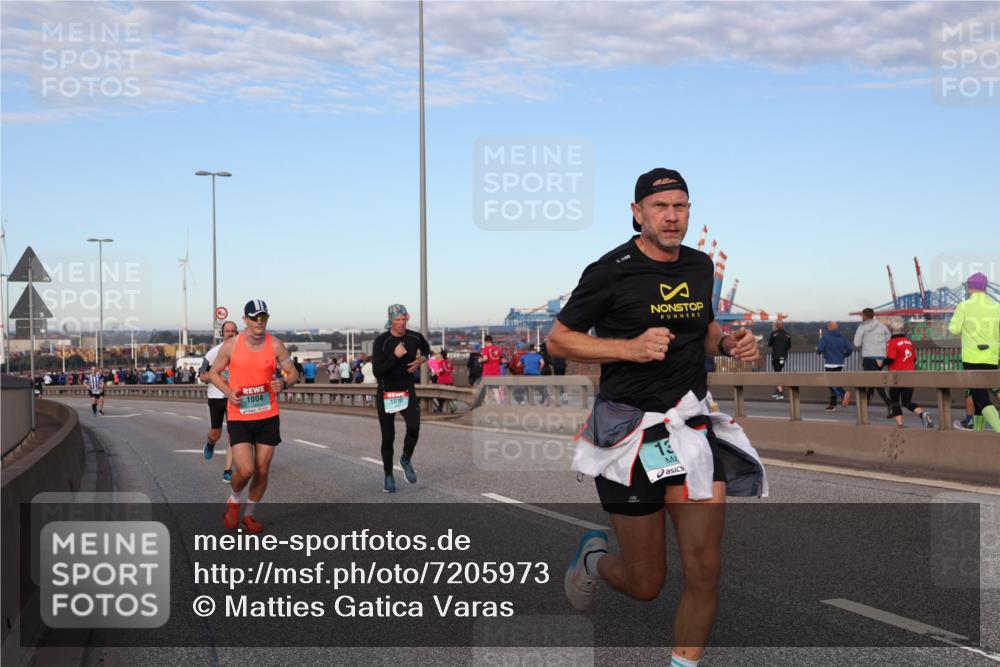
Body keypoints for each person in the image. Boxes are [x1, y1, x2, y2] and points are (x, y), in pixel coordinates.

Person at [548, 168, 761, 667]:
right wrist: (628, 347)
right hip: (630, 432)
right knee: (646, 583)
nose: (672, 216)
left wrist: (728, 342)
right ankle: (594, 561)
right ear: (637, 212)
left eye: (681, 206)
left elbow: (705, 329)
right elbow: (557, 340)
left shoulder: (698, 266)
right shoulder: (609, 271)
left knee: (705, 569)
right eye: (661, 207)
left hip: (689, 426)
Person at [208, 299, 299, 534]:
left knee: (262, 469)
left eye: (263, 317)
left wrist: (284, 382)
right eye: (255, 317)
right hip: (240, 415)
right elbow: (214, 373)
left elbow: (293, 373)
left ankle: (249, 515)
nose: (260, 322)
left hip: (268, 415)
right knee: (246, 469)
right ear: (245, 320)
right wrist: (229, 392)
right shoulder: (231, 345)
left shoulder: (275, 344)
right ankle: (234, 500)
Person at [372, 304, 430, 493]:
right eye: (397, 320)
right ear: (390, 320)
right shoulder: (381, 341)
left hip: (407, 391)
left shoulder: (415, 337)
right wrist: (395, 357)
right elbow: (377, 371)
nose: (401, 323)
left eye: (404, 319)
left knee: (414, 428)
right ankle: (388, 476)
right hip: (387, 393)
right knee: (388, 438)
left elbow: (427, 350)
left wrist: (421, 360)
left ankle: (405, 459)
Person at [948, 272, 1000, 432]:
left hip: (972, 358)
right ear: (985, 288)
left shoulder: (964, 306)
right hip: (991, 357)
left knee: (981, 399)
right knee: (979, 399)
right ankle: (977, 435)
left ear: (970, 287)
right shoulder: (997, 306)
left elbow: (953, 329)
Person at [200, 320, 239, 482]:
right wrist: (217, 377)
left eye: (233, 331)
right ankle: (210, 443)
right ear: (222, 334)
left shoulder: (242, 352)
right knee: (216, 433)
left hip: (234, 397)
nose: (230, 333)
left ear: (237, 333)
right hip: (216, 397)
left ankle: (228, 470)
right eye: (227, 331)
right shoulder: (212, 353)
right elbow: (202, 376)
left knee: (234, 435)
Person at [884, 318, 934, 428]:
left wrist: (881, 362)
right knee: (907, 402)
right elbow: (914, 359)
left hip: (897, 376)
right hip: (910, 374)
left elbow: (891, 359)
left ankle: (900, 425)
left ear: (891, 329)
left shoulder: (892, 342)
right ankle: (923, 414)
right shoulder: (908, 342)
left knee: (895, 400)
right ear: (902, 329)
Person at [854, 308, 893, 417]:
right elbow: (889, 339)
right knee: (872, 383)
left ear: (864, 316)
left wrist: (866, 342)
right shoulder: (881, 326)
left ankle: (890, 404)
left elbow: (856, 343)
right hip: (880, 358)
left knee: (875, 382)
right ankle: (864, 407)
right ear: (873, 315)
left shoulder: (862, 327)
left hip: (869, 358)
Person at [817, 322, 853, 411]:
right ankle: (832, 405)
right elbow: (850, 349)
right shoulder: (842, 337)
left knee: (831, 383)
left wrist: (818, 351)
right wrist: (844, 356)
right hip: (840, 363)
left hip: (830, 363)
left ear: (829, 327)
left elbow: (820, 349)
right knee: (835, 382)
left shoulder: (825, 337)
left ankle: (843, 394)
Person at [767, 320, 792, 400]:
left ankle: (780, 393)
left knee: (777, 374)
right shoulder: (788, 335)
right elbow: (789, 346)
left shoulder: (774, 334)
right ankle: (777, 391)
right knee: (779, 372)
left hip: (776, 357)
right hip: (783, 357)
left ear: (776, 326)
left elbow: (770, 344)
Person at [480, 335, 504, 403]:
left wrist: (480, 360)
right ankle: (498, 406)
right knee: (495, 390)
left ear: (486, 342)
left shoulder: (485, 349)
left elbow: (485, 358)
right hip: (496, 373)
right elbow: (501, 360)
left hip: (487, 373)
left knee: (486, 391)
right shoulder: (498, 349)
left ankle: (488, 407)